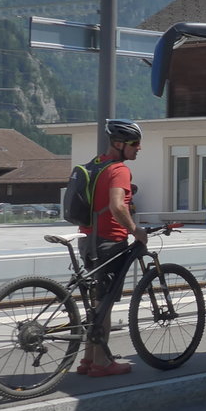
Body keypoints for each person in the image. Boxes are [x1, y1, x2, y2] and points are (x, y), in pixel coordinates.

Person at [77, 118, 149, 378]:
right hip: (108, 242)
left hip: (87, 240)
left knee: (96, 302)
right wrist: (135, 230)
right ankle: (102, 363)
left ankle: (88, 359)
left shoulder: (97, 164)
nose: (139, 148)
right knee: (105, 303)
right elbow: (117, 205)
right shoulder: (119, 170)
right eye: (135, 143)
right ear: (119, 143)